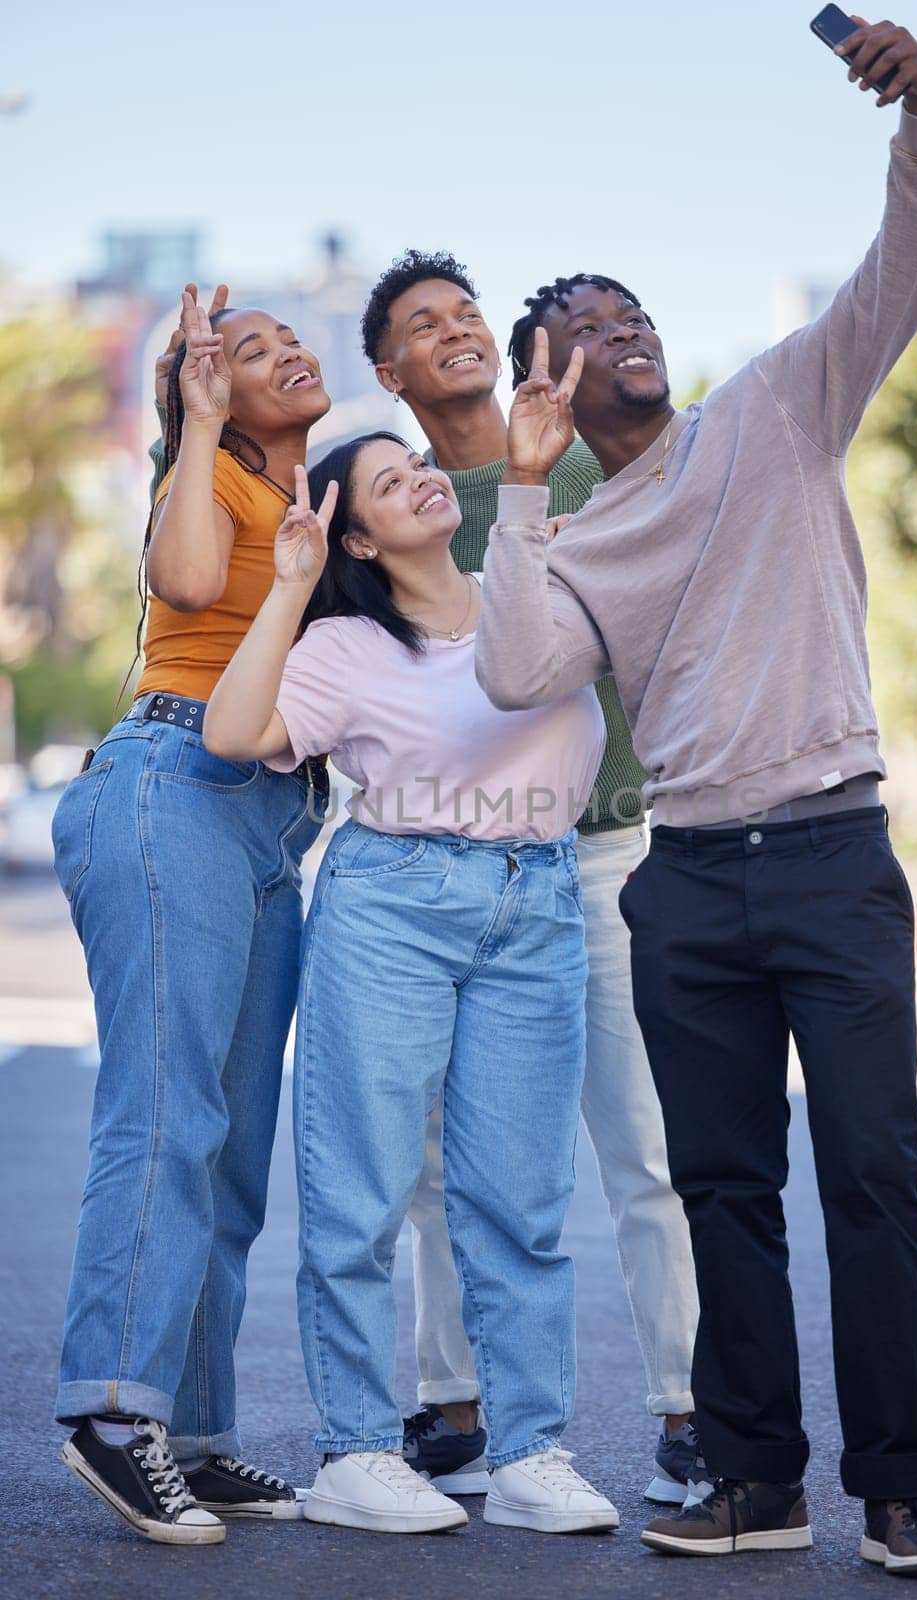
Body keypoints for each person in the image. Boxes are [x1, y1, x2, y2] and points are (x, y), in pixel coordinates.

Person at [475, 18, 917, 1580]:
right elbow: (512, 670)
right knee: (720, 1192)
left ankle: (903, 1496)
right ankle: (754, 1486)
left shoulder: (773, 409)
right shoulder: (572, 533)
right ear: (544, 375)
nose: (619, 324)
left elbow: (902, 277)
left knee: (871, 1179)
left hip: (828, 846)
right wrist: (517, 485)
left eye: (628, 306)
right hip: (682, 879)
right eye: (577, 321)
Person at [203, 438, 620, 1536]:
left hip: (538, 898)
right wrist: (291, 585)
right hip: (394, 900)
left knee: (522, 1203)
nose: (422, 481)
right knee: (362, 1189)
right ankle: (352, 1449)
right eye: (388, 483)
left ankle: (530, 1450)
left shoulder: (534, 587)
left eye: (419, 466)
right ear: (357, 538)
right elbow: (234, 732)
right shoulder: (342, 644)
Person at [359, 251, 701, 1505]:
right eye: (420, 324)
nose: (448, 331)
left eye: (464, 313)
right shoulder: (377, 497)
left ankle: (687, 1414)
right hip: (447, 870)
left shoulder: (573, 463)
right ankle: (451, 1400)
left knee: (645, 1148)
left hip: (604, 852)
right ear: (386, 369)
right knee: (448, 1161)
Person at [51, 290, 330, 1544]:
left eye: (290, 340)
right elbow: (185, 582)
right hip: (171, 785)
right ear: (206, 383)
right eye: (252, 348)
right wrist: (198, 424)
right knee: (168, 1111)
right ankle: (114, 1410)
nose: (287, 353)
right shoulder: (212, 479)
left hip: (271, 819)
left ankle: (196, 1432)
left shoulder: (310, 504)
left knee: (231, 1143)